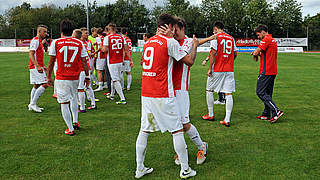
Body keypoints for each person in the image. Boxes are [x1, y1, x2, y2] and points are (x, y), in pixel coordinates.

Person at [135, 13, 199, 179]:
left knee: (144, 130)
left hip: (146, 94)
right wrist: (195, 45)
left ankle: (139, 168)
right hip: (163, 93)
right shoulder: (169, 42)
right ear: (170, 27)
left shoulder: (148, 42)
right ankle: (185, 169)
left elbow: (144, 63)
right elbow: (189, 61)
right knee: (177, 130)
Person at [171, 17, 211, 166]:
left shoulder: (187, 42)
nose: (173, 33)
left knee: (184, 123)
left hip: (180, 88)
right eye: (172, 30)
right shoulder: (172, 42)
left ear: (182, 29)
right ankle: (182, 150)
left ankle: (202, 146)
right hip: (168, 88)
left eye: (176, 30)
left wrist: (197, 44)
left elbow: (186, 60)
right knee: (174, 124)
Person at [47, 20, 90, 136]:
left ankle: (70, 128)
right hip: (75, 76)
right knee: (75, 98)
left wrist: (48, 76)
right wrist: (87, 76)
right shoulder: (79, 43)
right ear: (72, 30)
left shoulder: (56, 42)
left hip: (62, 77)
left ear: (61, 30)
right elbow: (85, 61)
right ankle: (75, 121)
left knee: (64, 102)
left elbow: (51, 63)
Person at [202, 21, 237, 127]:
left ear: (216, 28)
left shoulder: (216, 37)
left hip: (218, 69)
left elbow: (213, 53)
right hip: (229, 69)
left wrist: (210, 68)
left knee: (209, 90)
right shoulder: (231, 38)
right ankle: (227, 119)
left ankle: (211, 114)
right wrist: (229, 62)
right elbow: (235, 54)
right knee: (228, 93)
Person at [251, 25, 284, 123]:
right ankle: (266, 114)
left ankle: (276, 111)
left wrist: (254, 53)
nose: (258, 37)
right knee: (268, 93)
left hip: (266, 71)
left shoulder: (266, 39)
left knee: (260, 92)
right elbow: (264, 53)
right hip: (273, 70)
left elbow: (257, 51)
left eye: (258, 35)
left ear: (262, 32)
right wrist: (257, 54)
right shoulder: (272, 40)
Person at [102, 23, 130, 104]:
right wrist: (130, 60)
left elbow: (105, 50)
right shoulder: (121, 37)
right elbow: (126, 49)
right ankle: (112, 94)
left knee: (115, 79)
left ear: (110, 29)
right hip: (119, 61)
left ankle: (122, 98)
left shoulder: (107, 37)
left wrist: (101, 48)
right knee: (114, 78)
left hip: (112, 61)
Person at [28, 24, 49, 113]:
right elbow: (31, 54)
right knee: (45, 83)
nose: (46, 33)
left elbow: (38, 55)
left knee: (36, 85)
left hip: (37, 66)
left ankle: (31, 104)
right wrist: (37, 66)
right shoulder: (36, 41)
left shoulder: (39, 41)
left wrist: (42, 65)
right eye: (44, 31)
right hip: (35, 67)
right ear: (39, 32)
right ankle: (33, 104)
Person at [78, 27, 97, 112]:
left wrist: (90, 54)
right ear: (81, 34)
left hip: (84, 67)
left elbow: (88, 52)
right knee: (85, 86)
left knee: (83, 87)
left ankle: (82, 107)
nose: (87, 35)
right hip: (81, 67)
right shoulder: (79, 42)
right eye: (85, 33)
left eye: (87, 33)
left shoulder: (88, 42)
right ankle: (91, 104)